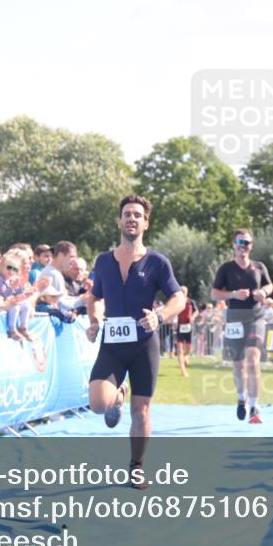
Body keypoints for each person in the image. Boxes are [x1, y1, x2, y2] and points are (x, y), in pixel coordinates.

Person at [86, 195, 185, 488]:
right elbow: (95, 296)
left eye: (138, 215)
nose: (132, 218)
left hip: (144, 346)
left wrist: (160, 316)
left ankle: (136, 465)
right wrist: (94, 321)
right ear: (119, 221)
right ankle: (118, 395)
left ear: (146, 223)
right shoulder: (103, 261)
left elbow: (178, 297)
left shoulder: (157, 262)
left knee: (141, 412)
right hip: (112, 345)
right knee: (97, 404)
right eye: (127, 214)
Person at [211, 229, 273, 424]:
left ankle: (254, 406)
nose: (243, 246)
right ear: (234, 245)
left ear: (251, 246)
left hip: (256, 318)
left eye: (246, 243)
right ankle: (241, 399)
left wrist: (264, 292)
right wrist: (233, 294)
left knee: (253, 360)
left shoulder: (259, 267)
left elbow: (270, 285)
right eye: (240, 242)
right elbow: (214, 294)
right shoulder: (226, 269)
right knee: (238, 365)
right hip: (234, 320)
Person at [0, 254, 36, 341]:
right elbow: (4, 294)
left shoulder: (12, 278)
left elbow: (17, 294)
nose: (11, 271)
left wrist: (24, 292)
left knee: (26, 305)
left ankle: (23, 328)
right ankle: (12, 330)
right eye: (9, 267)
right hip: (2, 304)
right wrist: (12, 287)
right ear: (1, 266)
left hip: (10, 302)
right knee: (15, 307)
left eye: (14, 269)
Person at [174, 286, 197, 377]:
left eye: (184, 291)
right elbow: (173, 312)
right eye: (181, 291)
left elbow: (196, 311)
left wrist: (193, 317)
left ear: (187, 292)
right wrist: (174, 321)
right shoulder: (176, 302)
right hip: (179, 327)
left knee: (187, 350)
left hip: (188, 327)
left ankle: (186, 356)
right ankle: (183, 370)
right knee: (180, 350)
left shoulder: (191, 302)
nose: (182, 292)